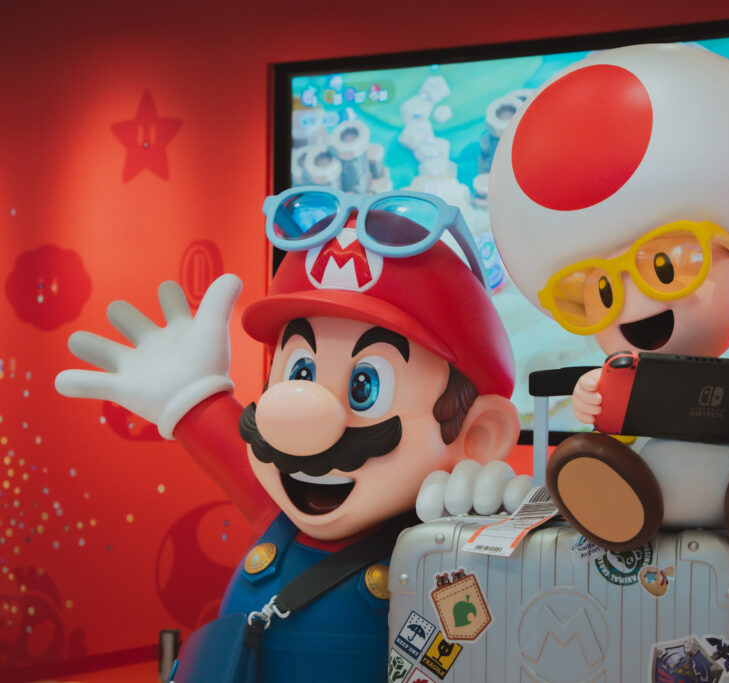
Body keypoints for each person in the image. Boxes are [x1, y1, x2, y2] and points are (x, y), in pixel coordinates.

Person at [55, 189, 526, 680]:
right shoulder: (276, 512)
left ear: (479, 435)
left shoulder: (436, 554)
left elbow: (479, 641)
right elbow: (227, 443)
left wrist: (484, 531)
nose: (302, 419)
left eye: (365, 387)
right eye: (300, 371)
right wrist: (190, 395)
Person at [487, 43, 729, 553]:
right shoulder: (624, 379)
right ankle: (611, 499)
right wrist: (590, 391)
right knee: (588, 453)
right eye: (602, 291)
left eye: (665, 268)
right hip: (641, 488)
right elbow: (598, 401)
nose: (635, 309)